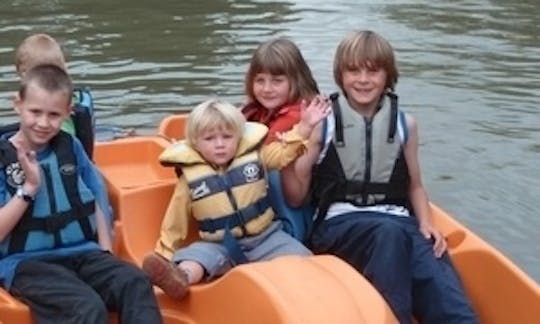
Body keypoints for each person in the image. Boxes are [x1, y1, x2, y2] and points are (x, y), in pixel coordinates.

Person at [283, 30, 478, 324]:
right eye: (353, 70)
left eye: (373, 71)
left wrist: (426, 222)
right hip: (339, 226)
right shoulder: (325, 123)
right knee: (390, 234)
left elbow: (415, 185)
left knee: (436, 270)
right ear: (340, 74)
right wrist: (297, 143)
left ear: (388, 75)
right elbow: (296, 196)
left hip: (399, 222)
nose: (363, 79)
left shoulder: (405, 125)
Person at [0, 64, 162, 324]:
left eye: (53, 115)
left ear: (67, 113)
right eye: (35, 112)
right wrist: (28, 188)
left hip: (83, 254)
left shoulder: (70, 147)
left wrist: (105, 251)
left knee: (135, 281)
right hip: (26, 263)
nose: (43, 123)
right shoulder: (2, 157)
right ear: (18, 104)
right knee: (86, 307)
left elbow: (96, 194)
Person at [142, 97, 330, 299]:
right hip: (219, 245)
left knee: (303, 260)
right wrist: (164, 253)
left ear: (239, 137)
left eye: (227, 137)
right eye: (210, 139)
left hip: (266, 237)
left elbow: (283, 153)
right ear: (195, 143)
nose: (220, 144)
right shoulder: (190, 179)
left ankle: (300, 288)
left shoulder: (257, 156)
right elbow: (175, 222)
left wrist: (304, 127)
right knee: (195, 260)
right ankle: (181, 278)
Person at [241, 37, 324, 240]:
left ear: (296, 81)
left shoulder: (298, 115)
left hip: (295, 214)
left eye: (277, 81)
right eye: (260, 80)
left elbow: (261, 152)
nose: (267, 88)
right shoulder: (259, 110)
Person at [11, 33, 95, 158]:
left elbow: (48, 140)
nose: (43, 122)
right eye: (35, 111)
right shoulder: (71, 98)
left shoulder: (65, 137)